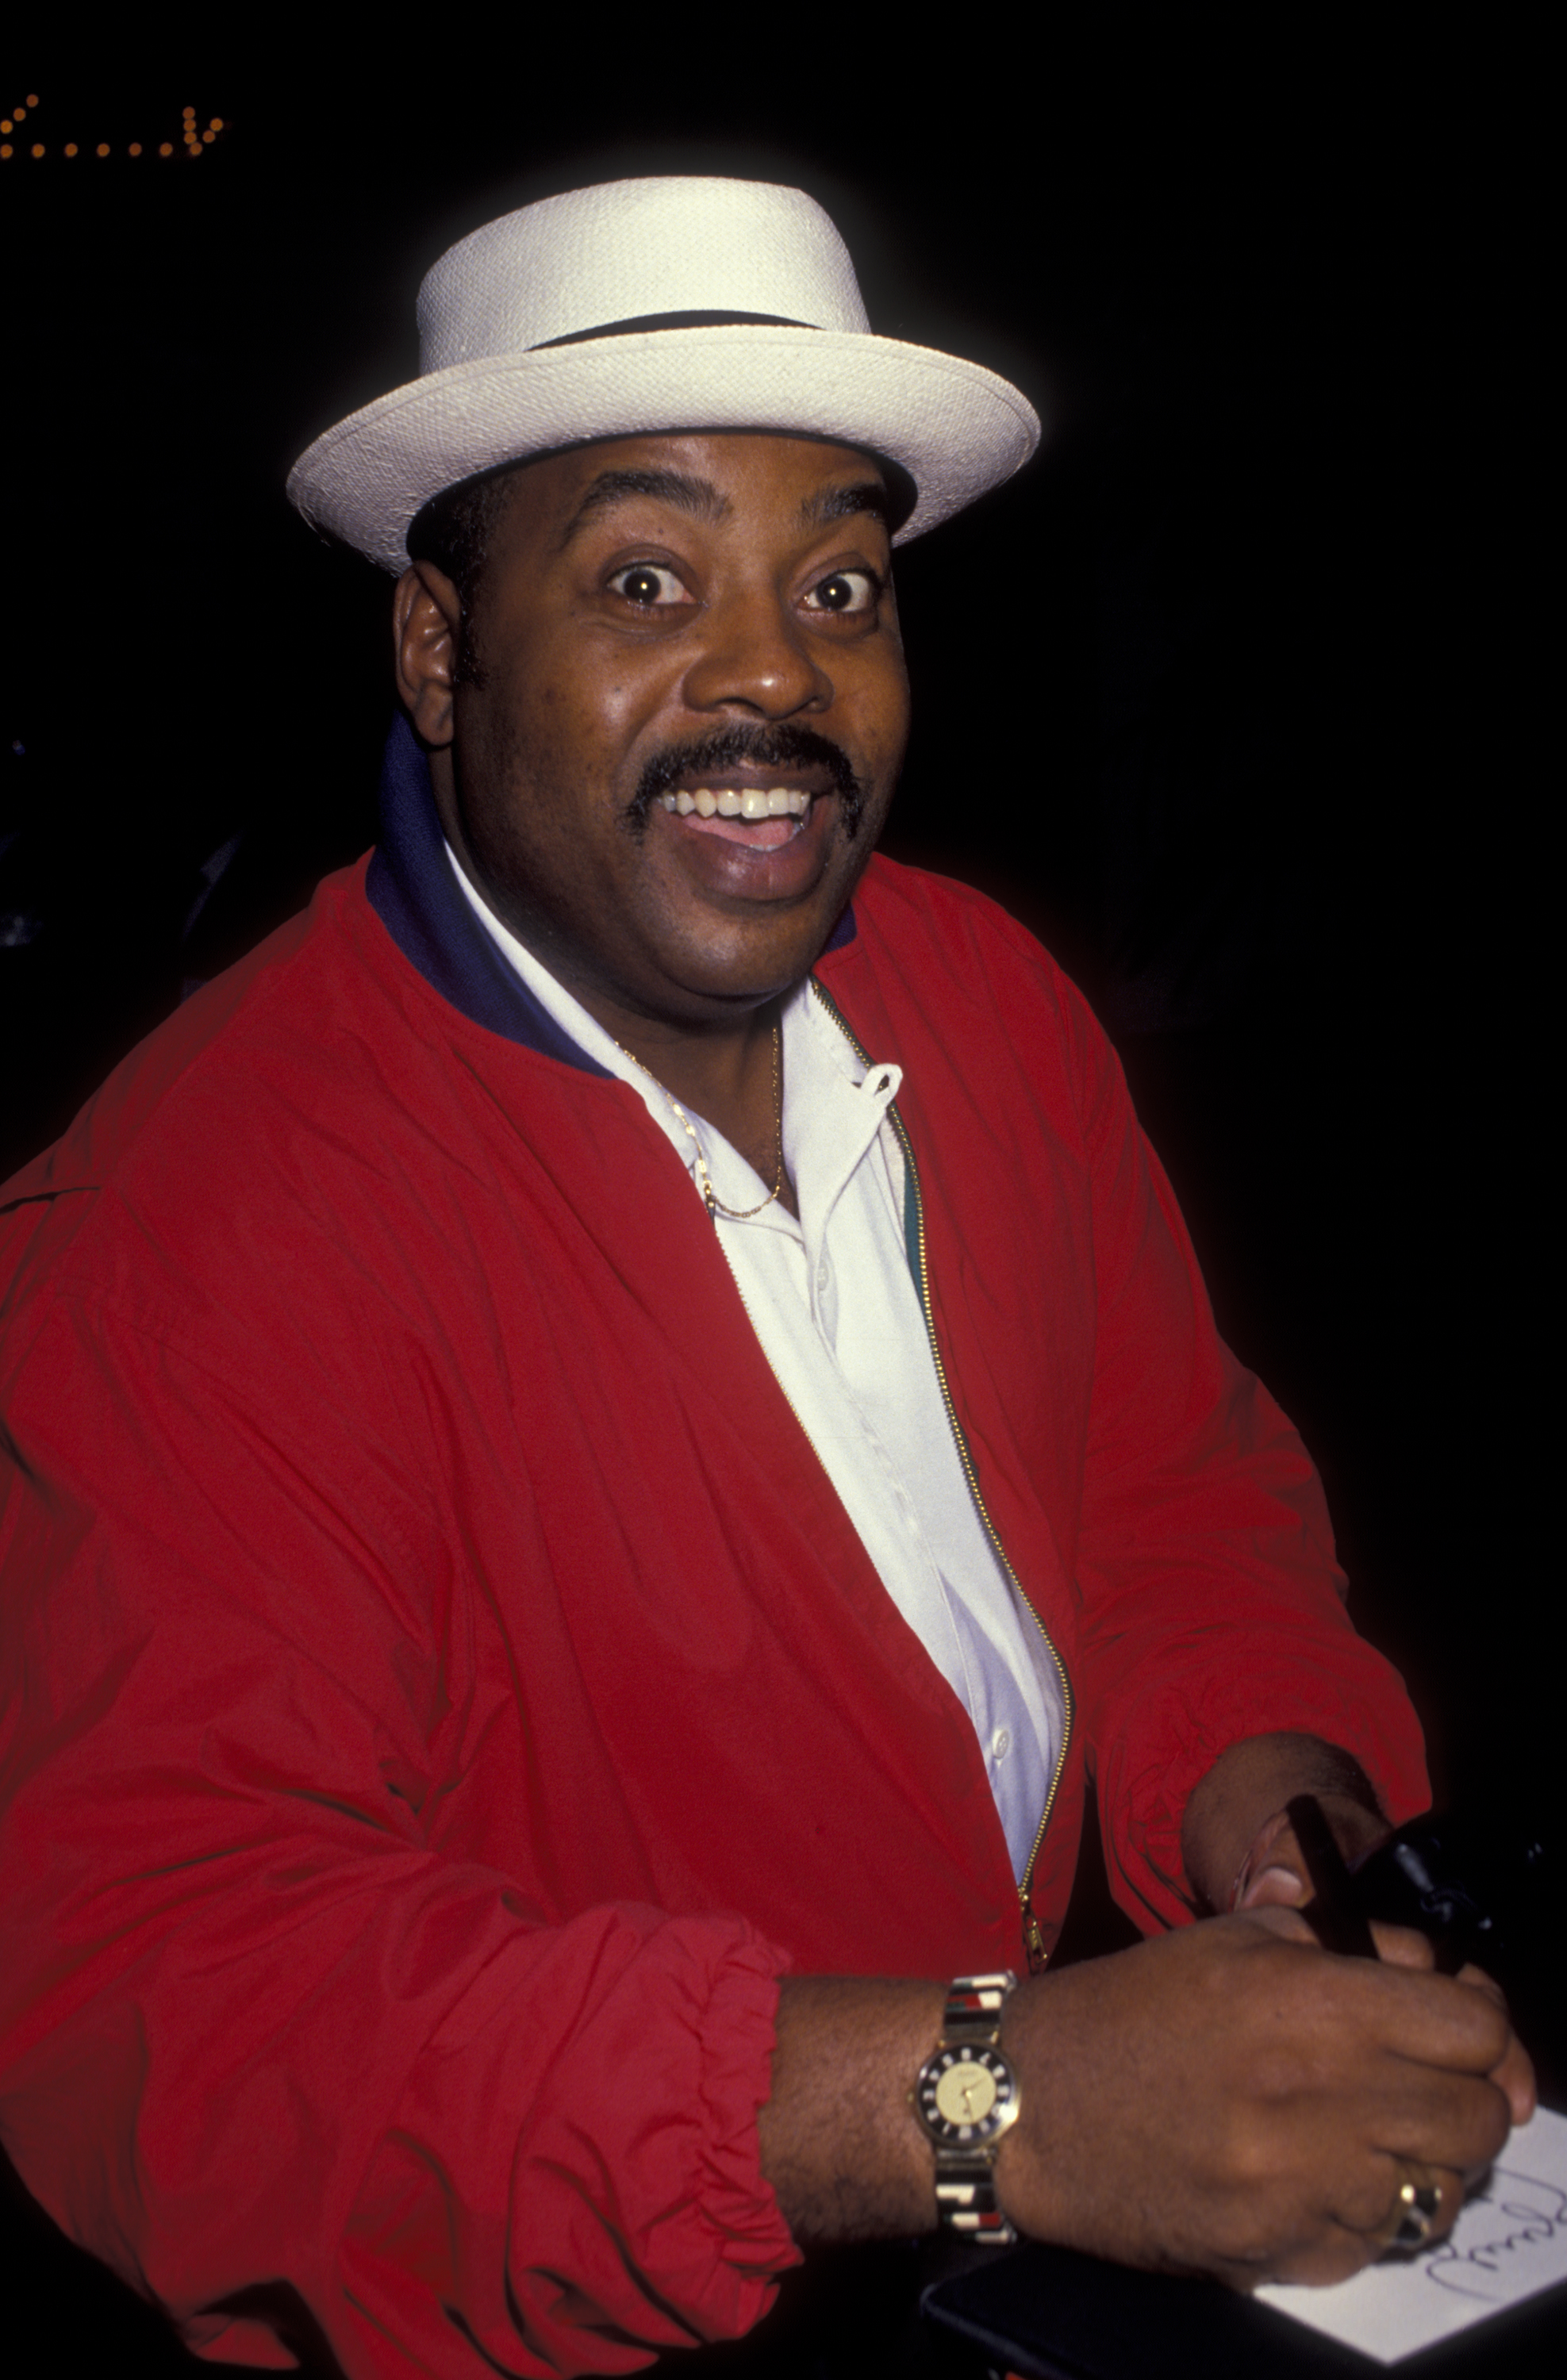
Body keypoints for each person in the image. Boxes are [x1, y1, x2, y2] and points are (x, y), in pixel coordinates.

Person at [0, 175, 1532, 2378]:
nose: (770, 674)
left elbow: (1171, 1504)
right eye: (645, 578)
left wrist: (1285, 1840)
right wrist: (989, 2101)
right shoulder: (190, 1236)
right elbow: (188, 2021)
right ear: (439, 646)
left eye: (839, 584)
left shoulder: (982, 1002)